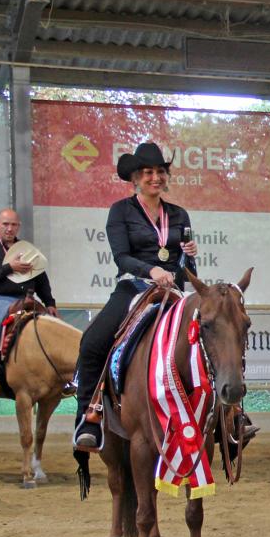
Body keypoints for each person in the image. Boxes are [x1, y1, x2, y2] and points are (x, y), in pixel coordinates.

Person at [73, 142, 198, 450]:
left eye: (160, 172)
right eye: (148, 173)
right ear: (136, 179)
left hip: (174, 291)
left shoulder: (179, 214)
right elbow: (121, 257)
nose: (155, 177)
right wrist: (151, 270)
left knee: (212, 335)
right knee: (92, 344)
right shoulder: (121, 211)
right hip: (134, 286)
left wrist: (191, 257)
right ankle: (89, 416)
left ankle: (229, 415)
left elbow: (186, 265)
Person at [0, 208, 58, 395]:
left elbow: (42, 280)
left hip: (27, 299)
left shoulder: (27, 250)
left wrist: (50, 303)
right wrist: (9, 267)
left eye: (14, 225)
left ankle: (62, 379)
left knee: (55, 329)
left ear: (18, 226)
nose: (9, 229)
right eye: (5, 224)